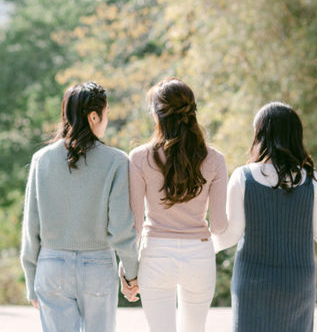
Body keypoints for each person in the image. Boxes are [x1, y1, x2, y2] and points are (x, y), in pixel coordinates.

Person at [213, 101, 317, 332]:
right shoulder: (312, 181)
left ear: (261, 135)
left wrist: (200, 245)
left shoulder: (242, 177)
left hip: (252, 284)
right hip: (297, 285)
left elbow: (230, 236)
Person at [20, 82, 140, 332]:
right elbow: (121, 227)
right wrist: (131, 273)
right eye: (106, 114)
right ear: (94, 116)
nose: (106, 120)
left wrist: (31, 280)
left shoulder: (41, 160)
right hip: (97, 267)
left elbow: (31, 227)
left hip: (51, 266)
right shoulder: (117, 161)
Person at [128, 78, 228, 332]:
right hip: (199, 255)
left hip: (156, 254)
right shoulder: (215, 159)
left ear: (157, 115)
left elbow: (135, 225)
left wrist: (126, 267)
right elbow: (217, 226)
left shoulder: (139, 158)